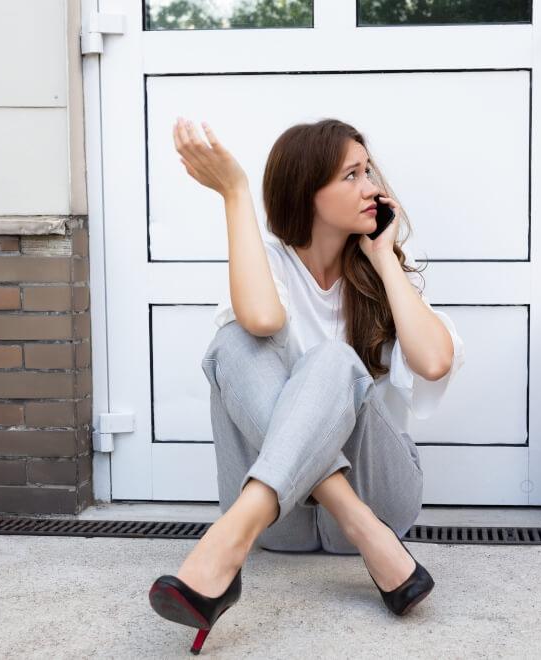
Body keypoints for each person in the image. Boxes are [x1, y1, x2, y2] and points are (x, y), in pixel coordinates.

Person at [149, 116, 465, 654]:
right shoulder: (267, 266)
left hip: (381, 494)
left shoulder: (383, 274)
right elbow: (261, 320)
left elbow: (434, 362)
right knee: (233, 341)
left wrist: (384, 259)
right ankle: (356, 525)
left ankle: (227, 543)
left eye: (369, 172)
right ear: (306, 191)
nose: (372, 187)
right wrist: (234, 192)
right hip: (288, 525)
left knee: (334, 360)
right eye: (351, 175)